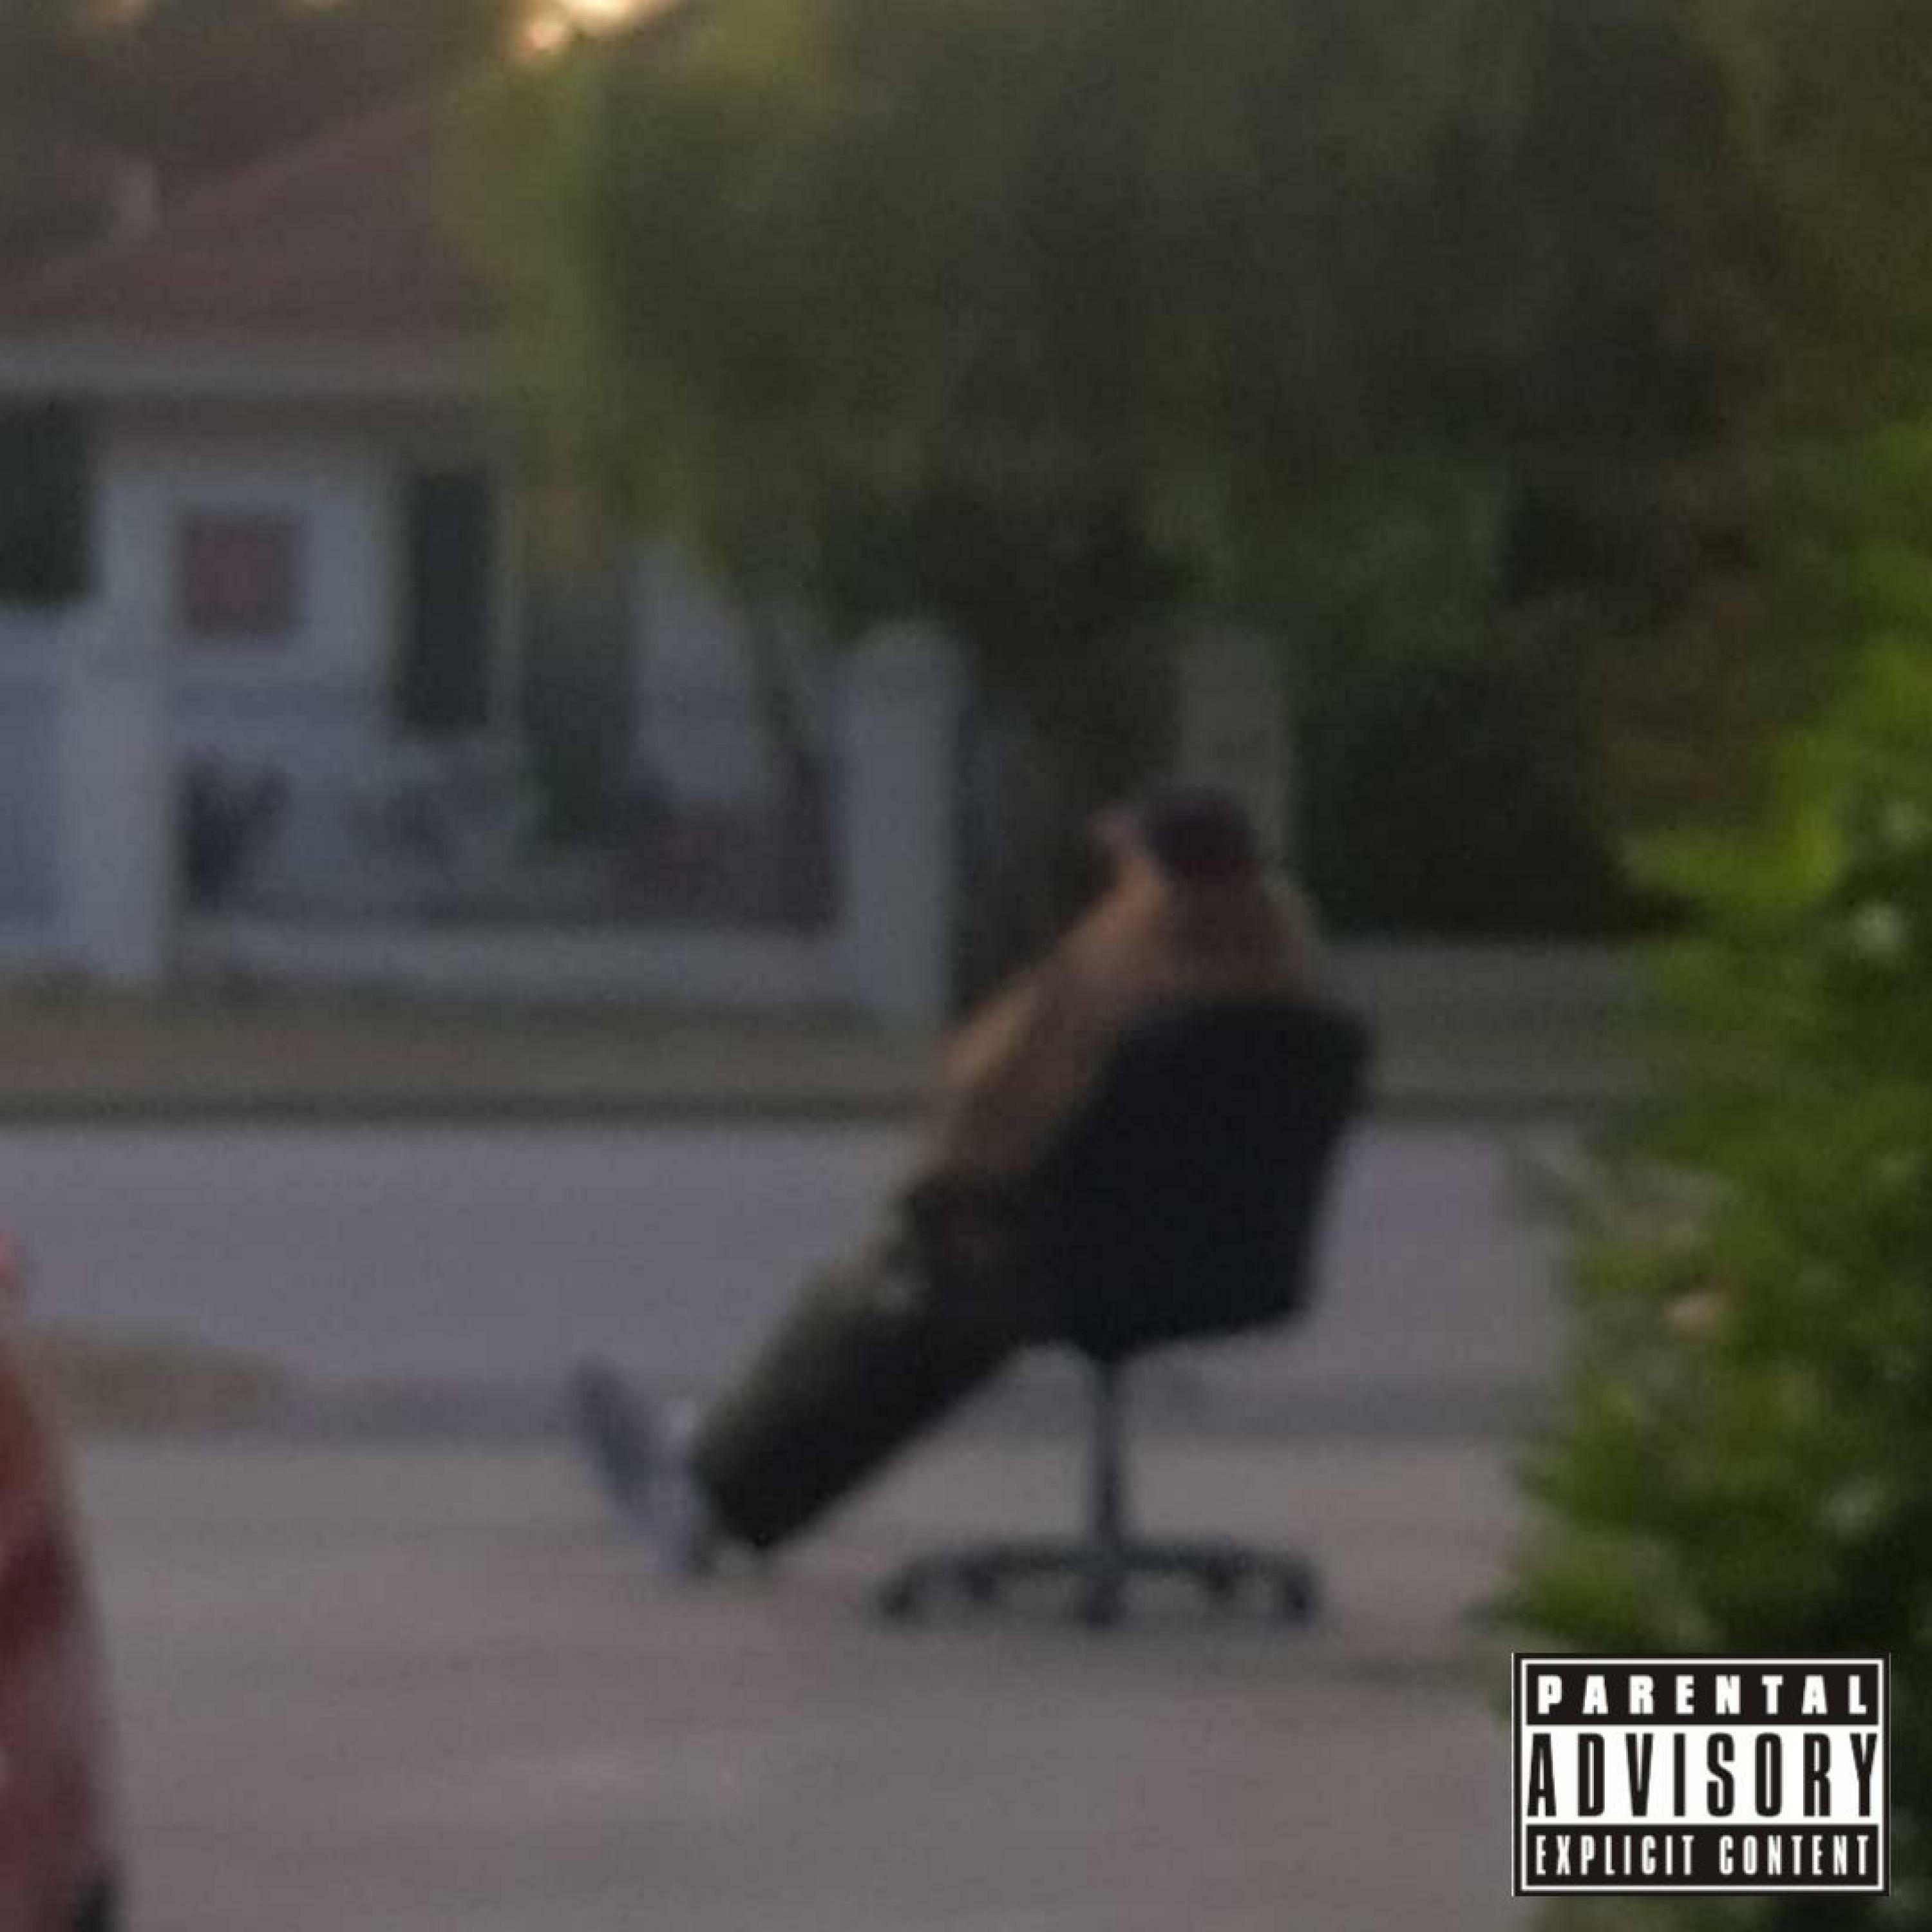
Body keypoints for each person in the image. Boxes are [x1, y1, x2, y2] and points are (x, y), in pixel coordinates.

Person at [569, 780, 1320, 1575]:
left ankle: (711, 1483)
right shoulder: (1289, 986)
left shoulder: (1120, 971)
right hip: (1227, 1268)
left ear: (1156, 872)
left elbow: (998, 1095)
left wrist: (935, 1197)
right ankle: (714, 1474)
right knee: (926, 1330)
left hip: (1061, 1255)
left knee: (870, 1301)